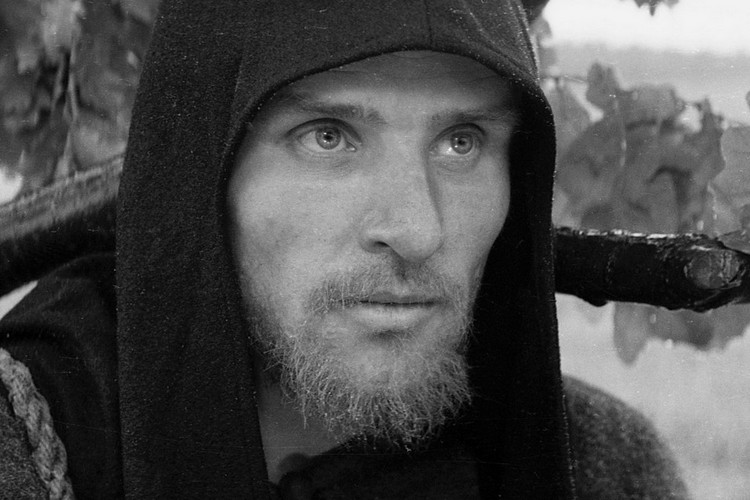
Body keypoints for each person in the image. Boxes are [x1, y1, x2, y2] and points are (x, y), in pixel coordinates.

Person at [0, 0, 691, 498]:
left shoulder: (605, 471)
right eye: (328, 136)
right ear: (203, 167)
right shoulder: (34, 442)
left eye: (462, 142)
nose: (417, 230)